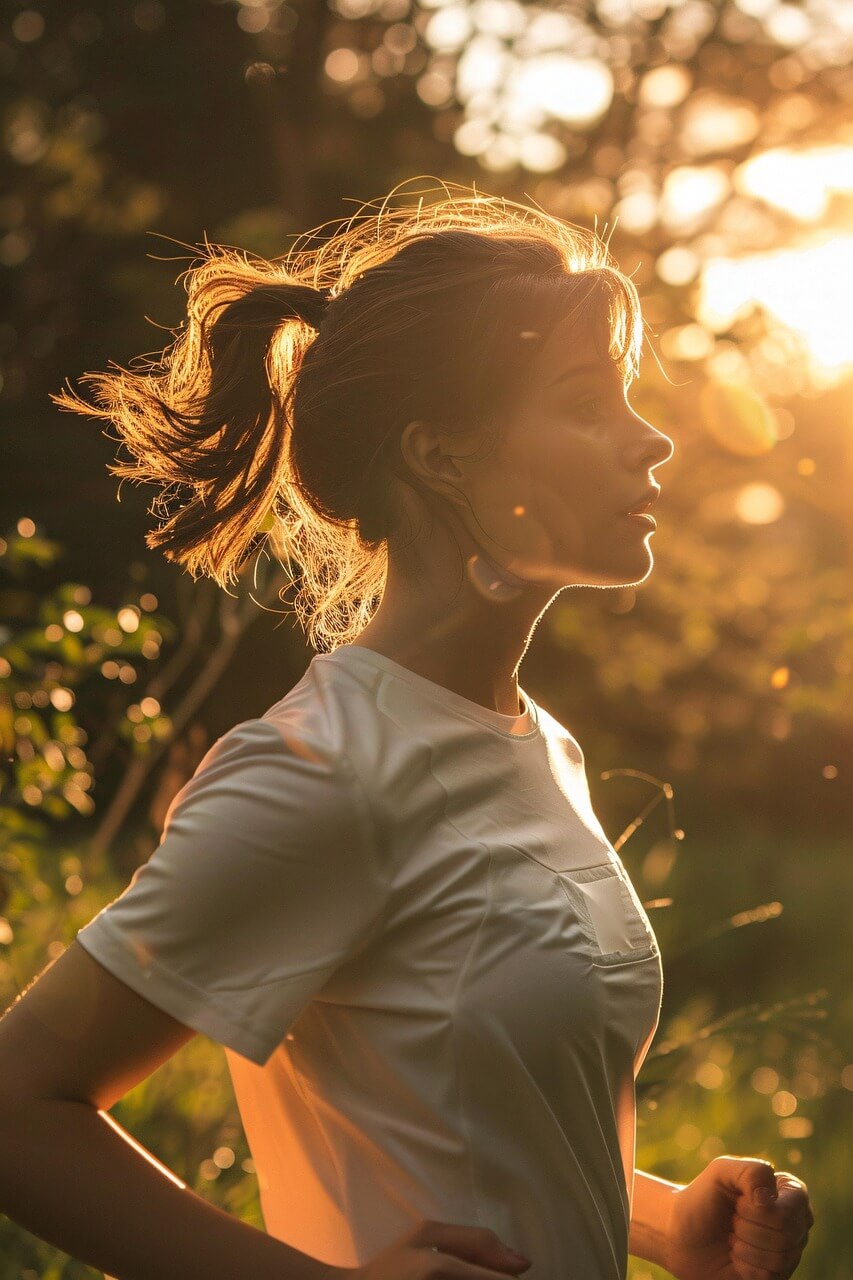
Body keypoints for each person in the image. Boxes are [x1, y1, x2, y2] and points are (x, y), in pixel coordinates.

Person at [0, 182, 813, 1279]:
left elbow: (474, 1110)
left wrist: (667, 1224)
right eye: (585, 401)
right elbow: (18, 1110)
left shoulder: (536, 743)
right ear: (441, 455)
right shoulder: (324, 768)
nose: (651, 438)